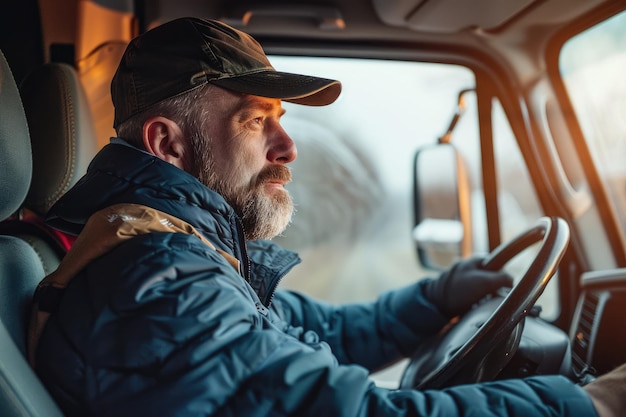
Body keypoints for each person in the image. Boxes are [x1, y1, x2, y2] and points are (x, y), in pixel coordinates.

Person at [29, 17, 624, 417]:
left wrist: (439, 296)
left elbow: (320, 335)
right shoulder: (160, 284)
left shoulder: (175, 250)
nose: (289, 148)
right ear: (168, 143)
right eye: (256, 120)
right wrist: (591, 405)